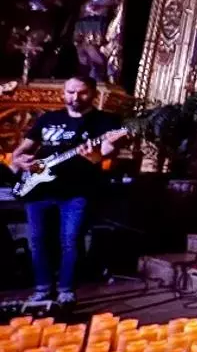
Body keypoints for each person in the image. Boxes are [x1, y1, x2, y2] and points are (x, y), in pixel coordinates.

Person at [10, 76, 125, 308]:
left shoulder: (105, 122)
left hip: (76, 192)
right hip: (38, 189)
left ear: (93, 94)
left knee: (70, 240)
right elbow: (20, 152)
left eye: (81, 93)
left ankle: (66, 291)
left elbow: (102, 156)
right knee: (38, 241)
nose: (75, 97)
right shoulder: (48, 118)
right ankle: (42, 289)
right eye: (70, 92)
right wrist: (19, 161)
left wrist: (96, 153)